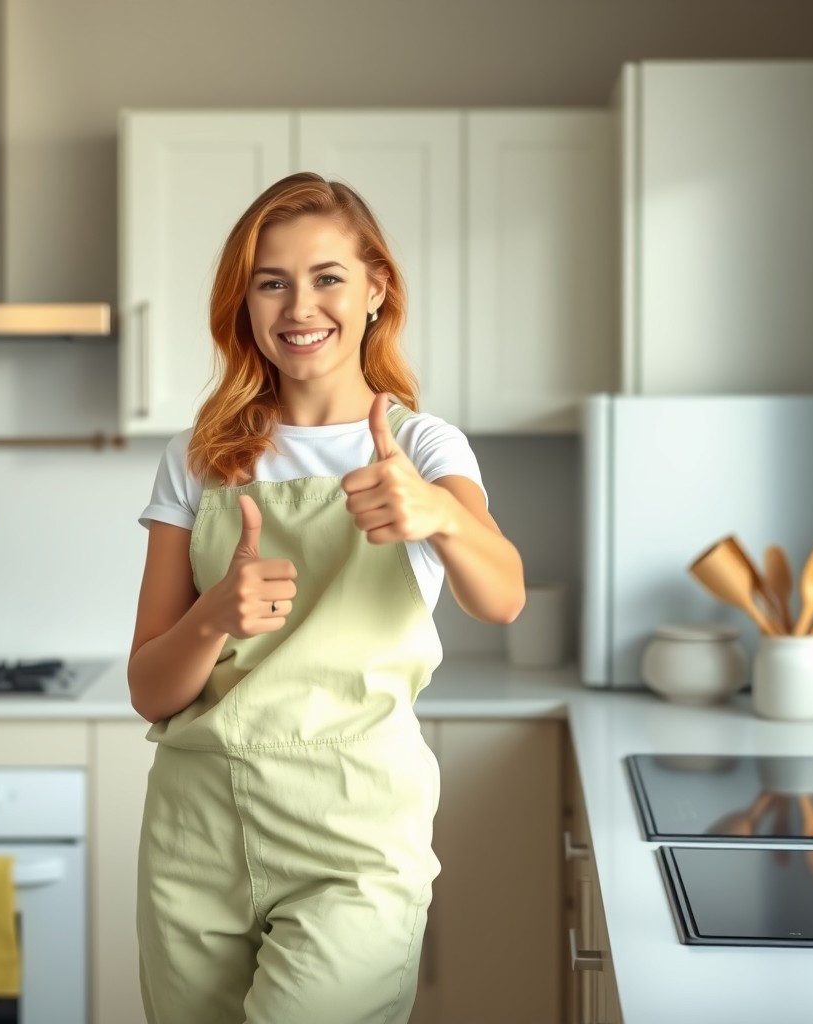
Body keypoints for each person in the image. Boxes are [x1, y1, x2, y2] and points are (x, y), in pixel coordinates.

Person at [128, 171, 525, 1024]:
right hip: (197, 830)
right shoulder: (196, 457)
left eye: (327, 277)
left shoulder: (420, 442)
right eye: (271, 281)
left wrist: (438, 513)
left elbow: (504, 597)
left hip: (354, 832)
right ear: (246, 301)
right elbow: (150, 689)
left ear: (376, 288)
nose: (299, 305)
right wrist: (213, 616)